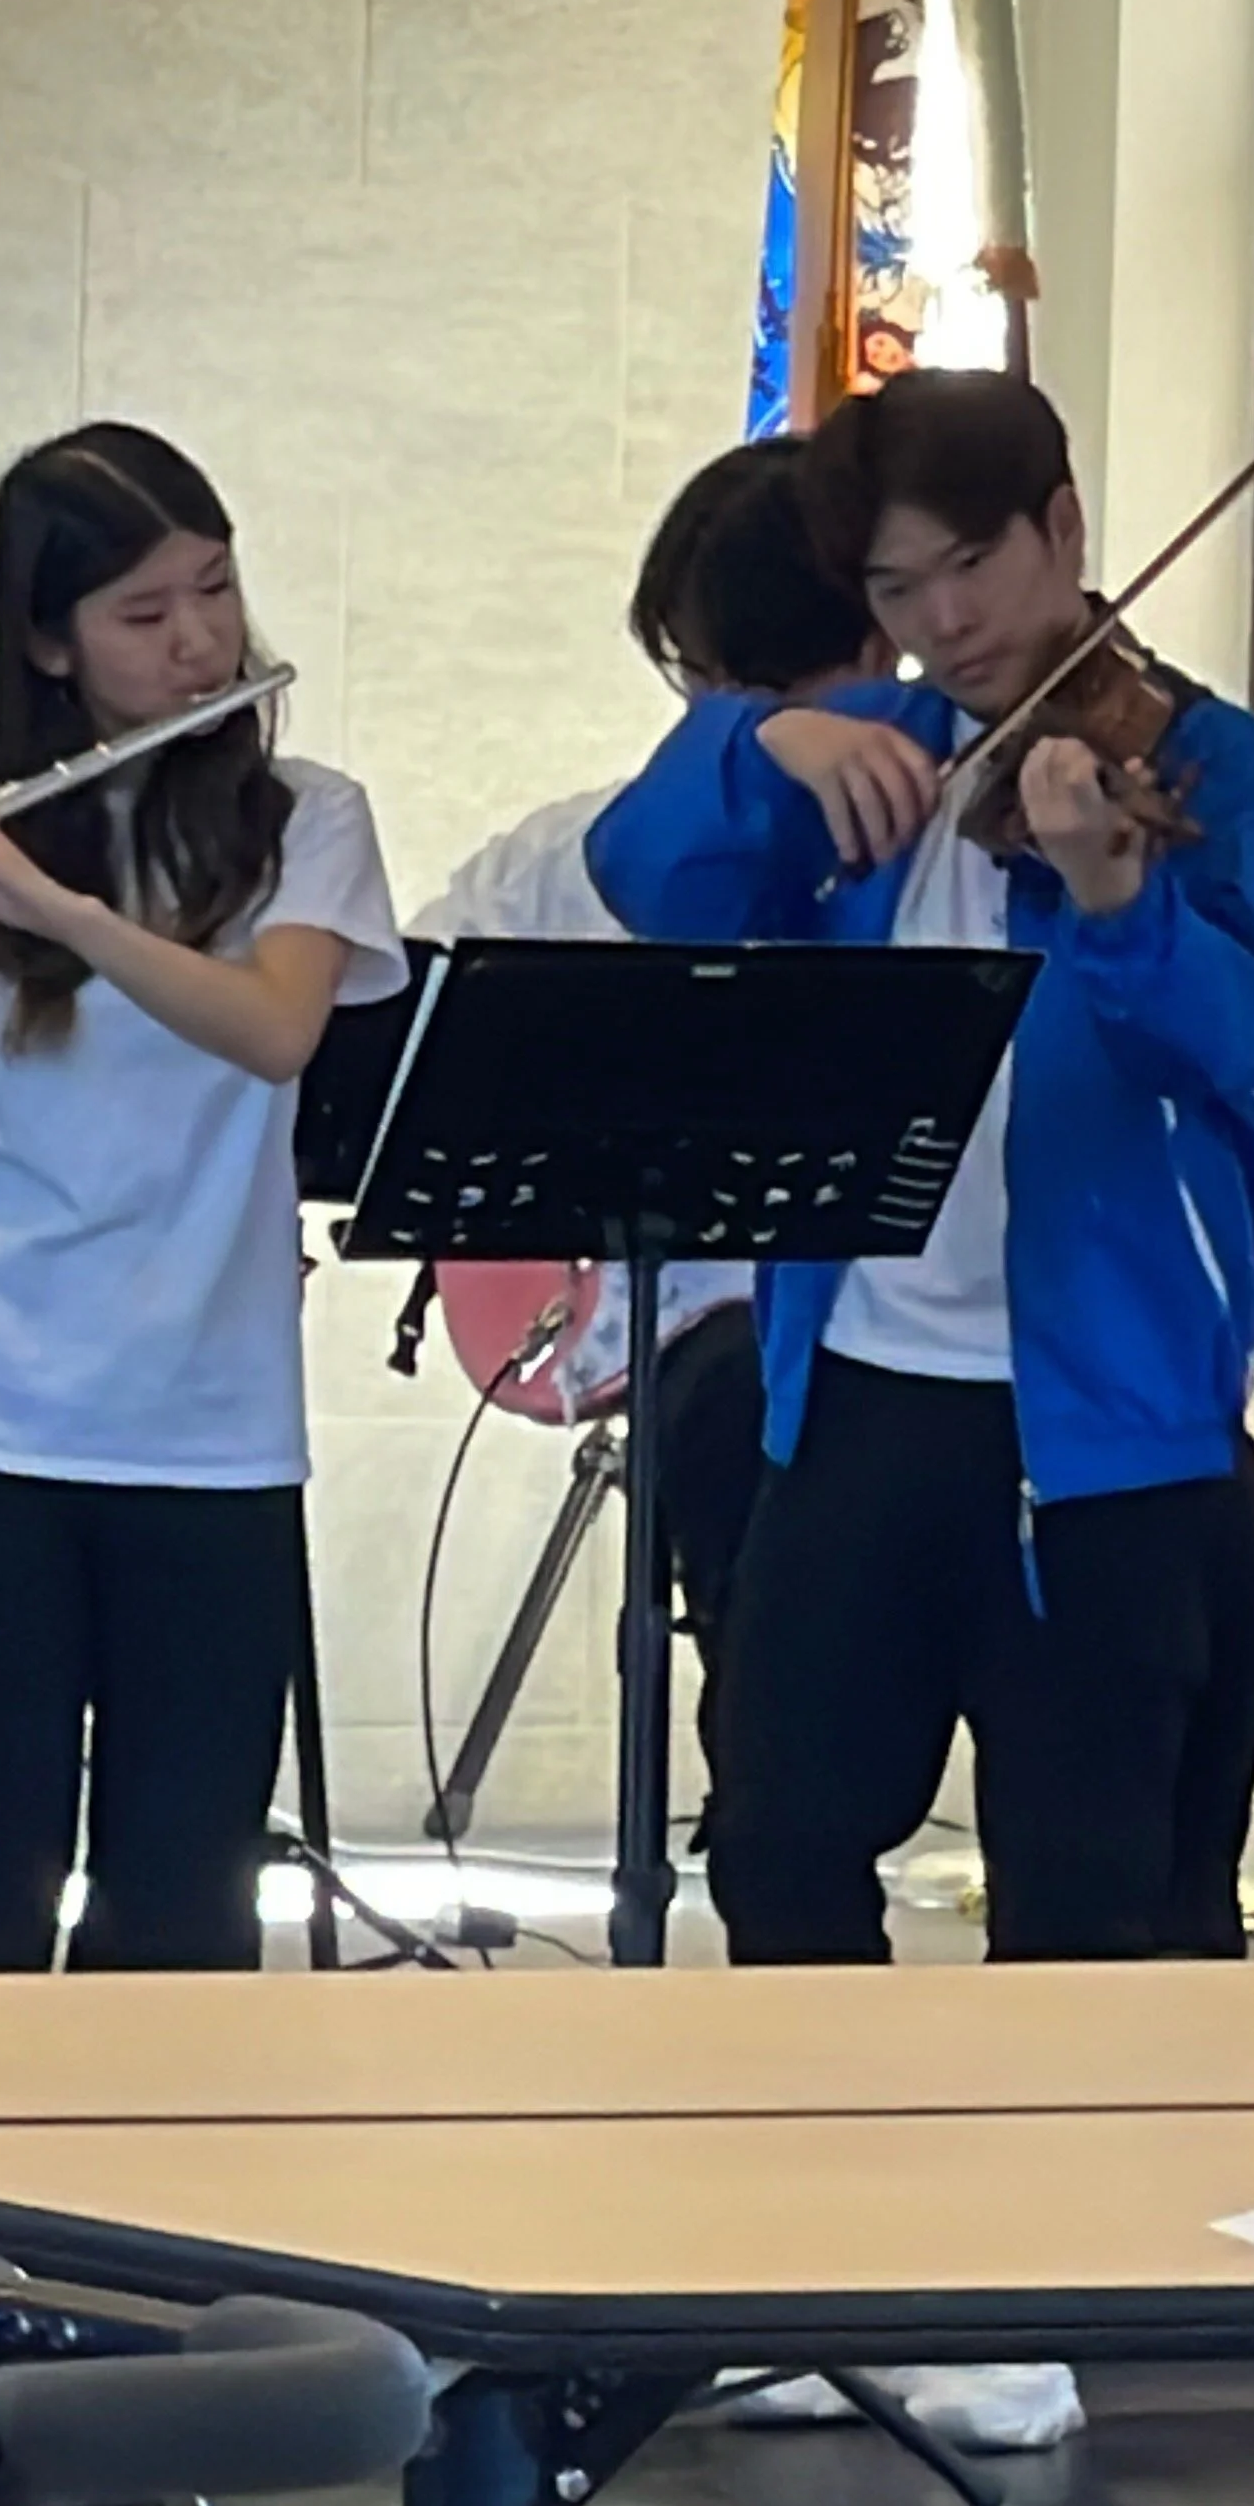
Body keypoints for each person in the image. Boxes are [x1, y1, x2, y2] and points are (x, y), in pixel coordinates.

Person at [587, 366, 1254, 1971]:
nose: (946, 624)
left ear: (1059, 528)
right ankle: (822, 2190)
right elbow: (651, 879)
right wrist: (755, 734)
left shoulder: (1207, 764)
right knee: (779, 1840)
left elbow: (1233, 1035)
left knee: (1087, 1891)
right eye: (898, 591)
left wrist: (1113, 895)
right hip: (855, 1388)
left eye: (970, 566)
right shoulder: (890, 752)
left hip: (1104, 1432)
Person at [0, 422, 406, 1973]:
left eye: (216, 592)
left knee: (181, 1903)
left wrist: (52, 906)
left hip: (210, 1426)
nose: (198, 643)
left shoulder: (307, 815)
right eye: (143, 614)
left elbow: (273, 1030)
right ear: (49, 639)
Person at [407, 439, 878, 1789]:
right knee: (735, 1406)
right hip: (675, 1309)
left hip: (883, 1319)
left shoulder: (935, 840)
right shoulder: (595, 839)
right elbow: (419, 1008)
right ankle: (767, 1776)